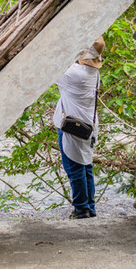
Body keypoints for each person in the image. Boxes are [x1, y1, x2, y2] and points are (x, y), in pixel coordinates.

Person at [53, 36, 104, 220]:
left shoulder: (75, 73)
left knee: (74, 167)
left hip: (72, 127)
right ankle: (89, 207)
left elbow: (51, 64)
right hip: (88, 126)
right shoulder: (93, 74)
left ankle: (81, 208)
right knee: (85, 166)